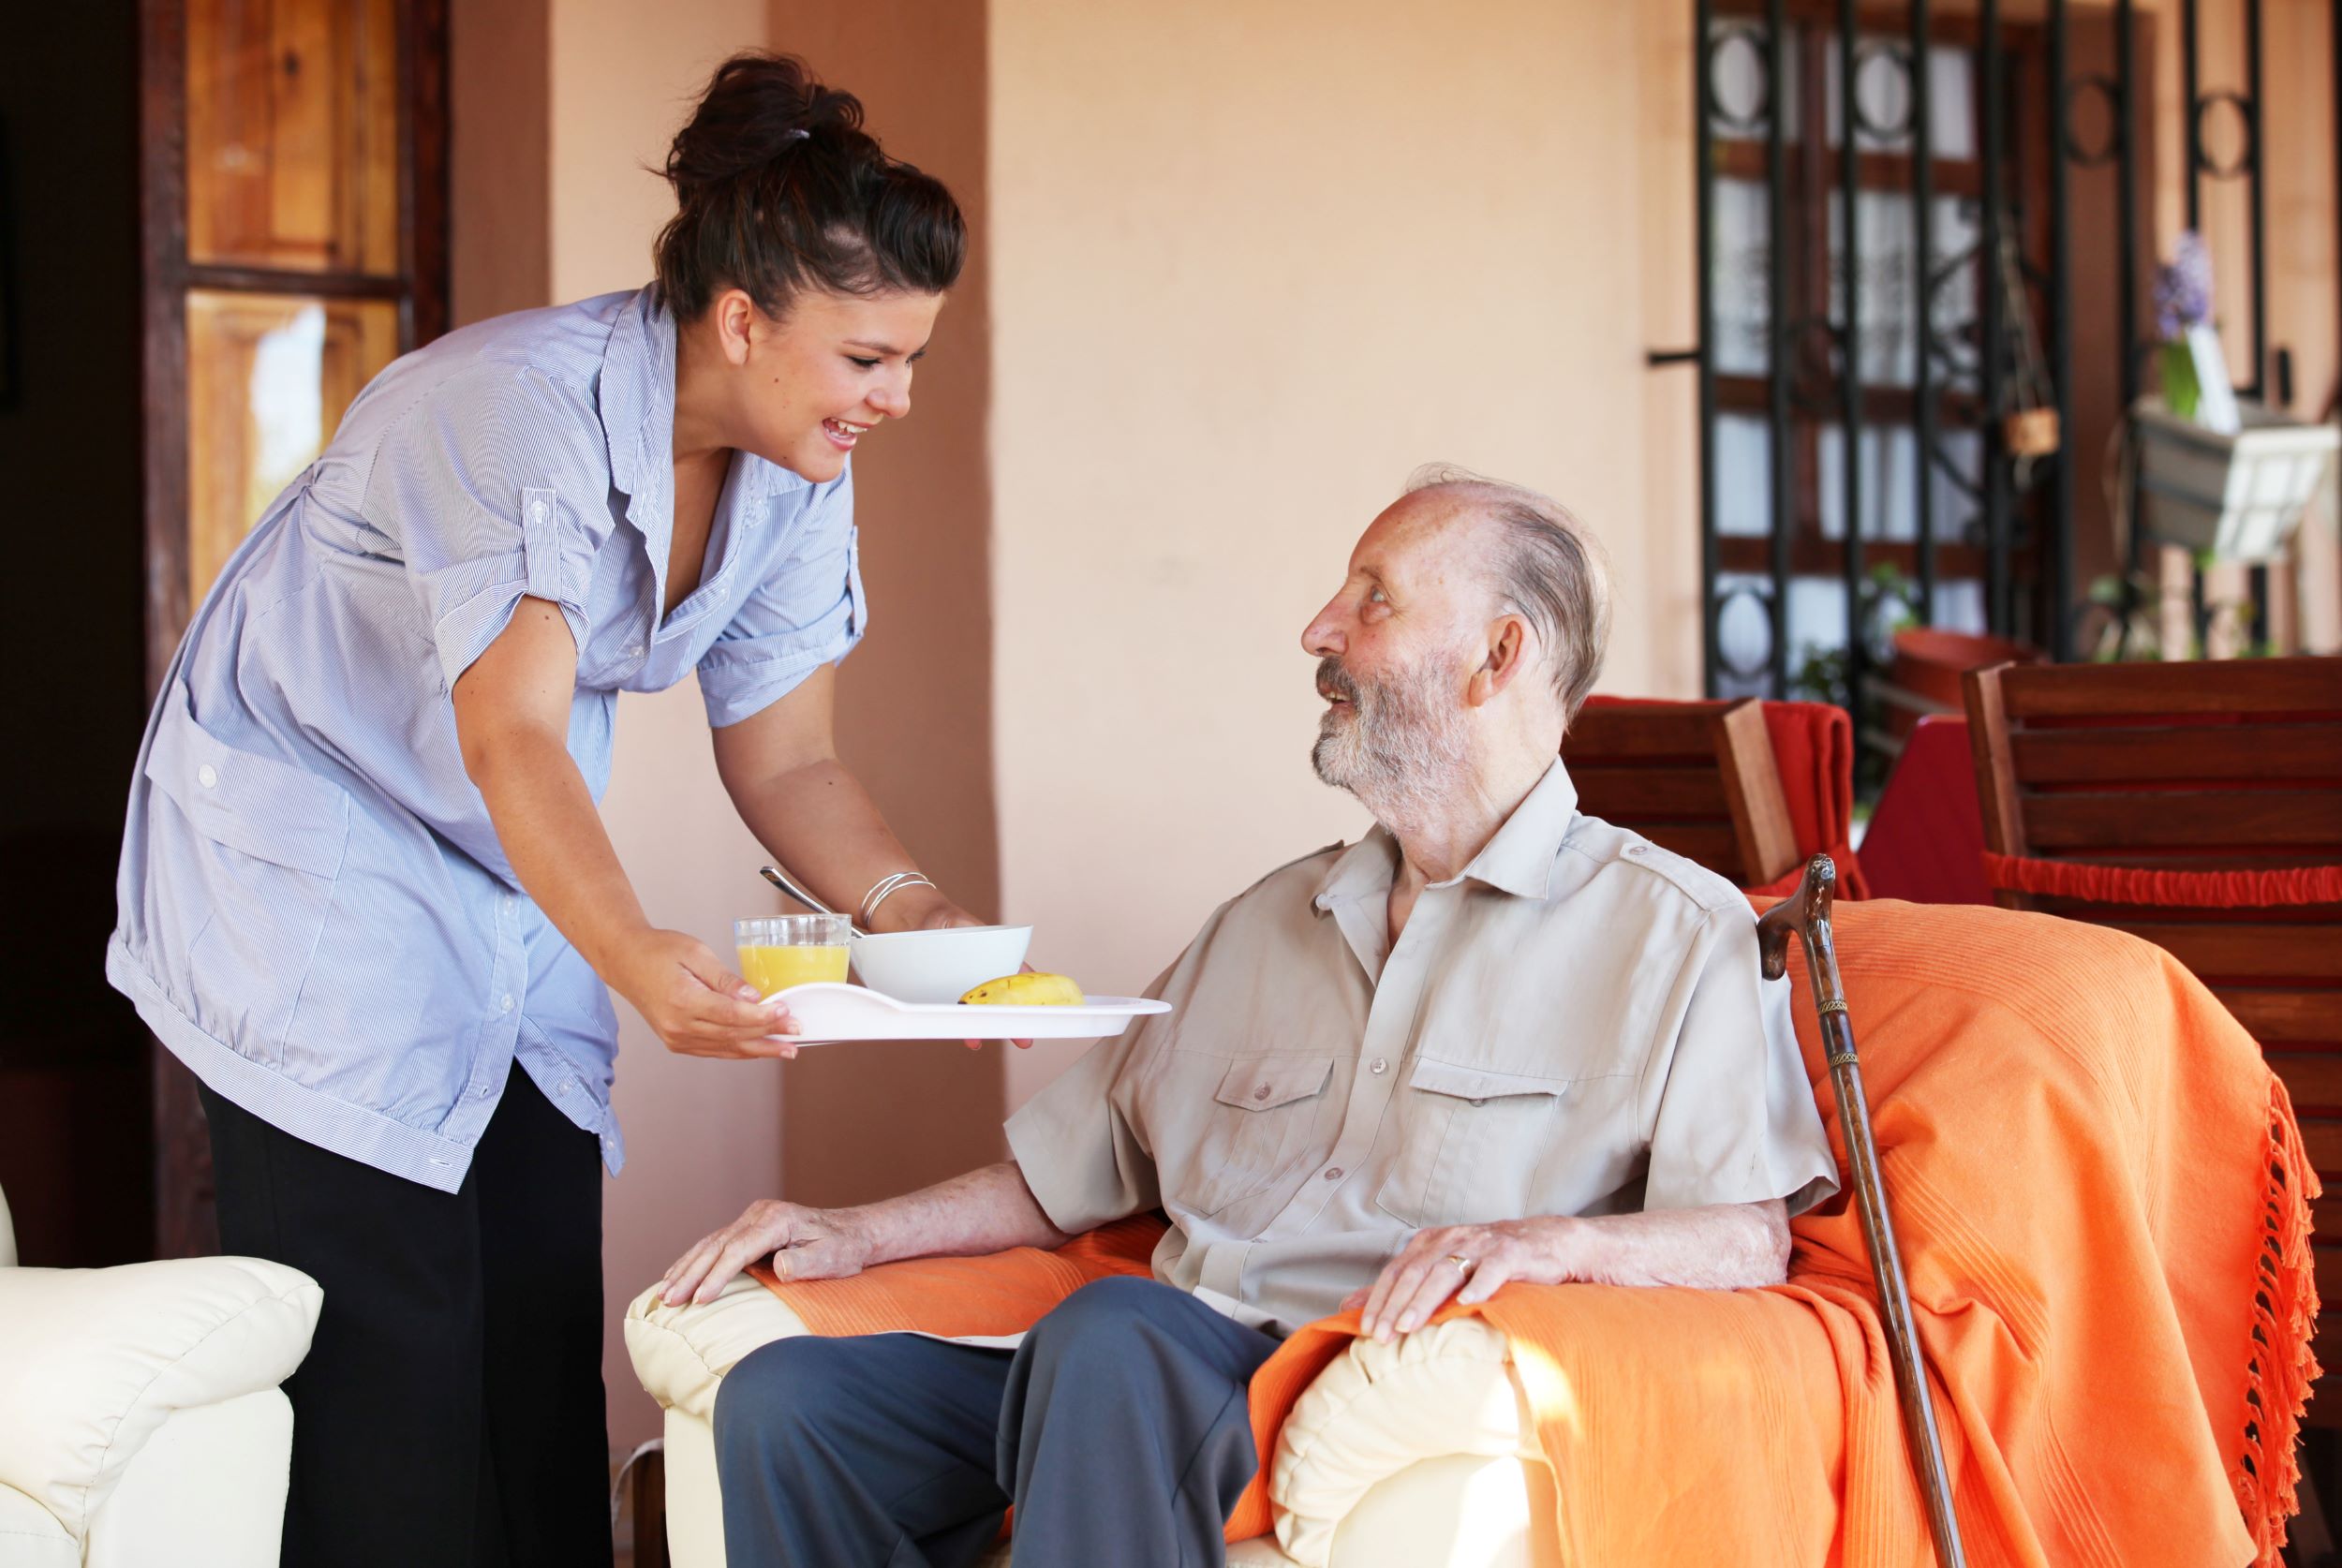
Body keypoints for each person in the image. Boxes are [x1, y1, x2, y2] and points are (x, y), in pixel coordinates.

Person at [106, 53, 980, 1568]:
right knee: (388, 1377)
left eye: (910, 358)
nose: (895, 397)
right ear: (743, 319)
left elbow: (787, 764)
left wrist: (922, 923)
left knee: (533, 1346)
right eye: (868, 357)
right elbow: (510, 732)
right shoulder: (513, 411)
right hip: (314, 862)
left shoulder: (793, 462)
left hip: (505, 870)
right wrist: (642, 958)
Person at [667, 467, 1841, 1568]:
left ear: (1497, 657)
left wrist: (1555, 1247)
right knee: (788, 1405)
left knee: (1114, 1338)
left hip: (1346, 1367)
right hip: (1141, 1372)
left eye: (1371, 600)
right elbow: (1069, 1171)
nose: (1319, 629)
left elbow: (1745, 1237)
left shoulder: (1674, 934)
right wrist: (860, 1232)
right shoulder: (1267, 918)